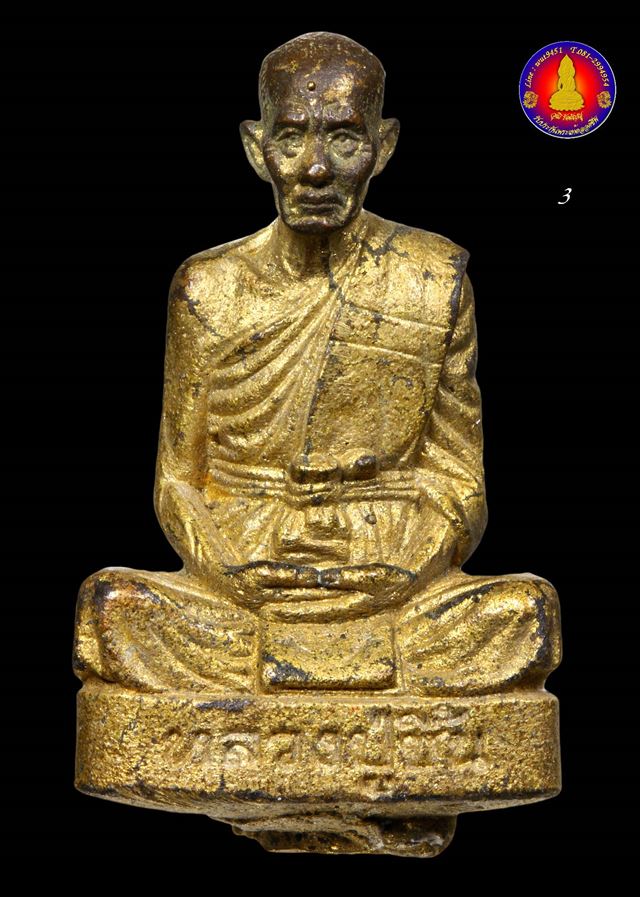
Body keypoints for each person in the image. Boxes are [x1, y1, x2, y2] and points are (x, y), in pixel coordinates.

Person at [74, 31, 561, 699]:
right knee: (113, 607)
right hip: (247, 564)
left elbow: (458, 480)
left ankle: (302, 681)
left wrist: (407, 565)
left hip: (387, 561)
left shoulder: (431, 277)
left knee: (524, 613)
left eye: (344, 139)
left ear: (384, 146)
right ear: (257, 148)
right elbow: (179, 481)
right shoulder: (208, 288)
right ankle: (346, 683)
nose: (315, 169)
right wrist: (231, 568)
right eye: (291, 138)